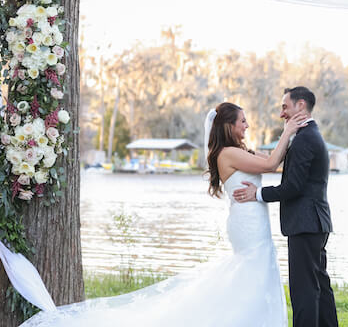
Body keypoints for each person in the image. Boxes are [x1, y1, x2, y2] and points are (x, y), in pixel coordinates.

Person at [19, 102, 307, 327]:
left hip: (252, 219)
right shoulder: (227, 154)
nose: (247, 125)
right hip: (247, 225)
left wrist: (295, 139)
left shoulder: (241, 151)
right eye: (243, 121)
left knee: (255, 272)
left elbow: (274, 163)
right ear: (229, 126)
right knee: (251, 272)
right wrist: (287, 131)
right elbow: (270, 165)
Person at [234, 86, 339, 327]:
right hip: (315, 223)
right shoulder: (309, 135)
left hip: (305, 224)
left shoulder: (305, 140)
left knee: (304, 292)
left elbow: (293, 187)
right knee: (319, 286)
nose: (282, 113)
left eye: (285, 106)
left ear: (300, 105)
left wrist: (257, 193)